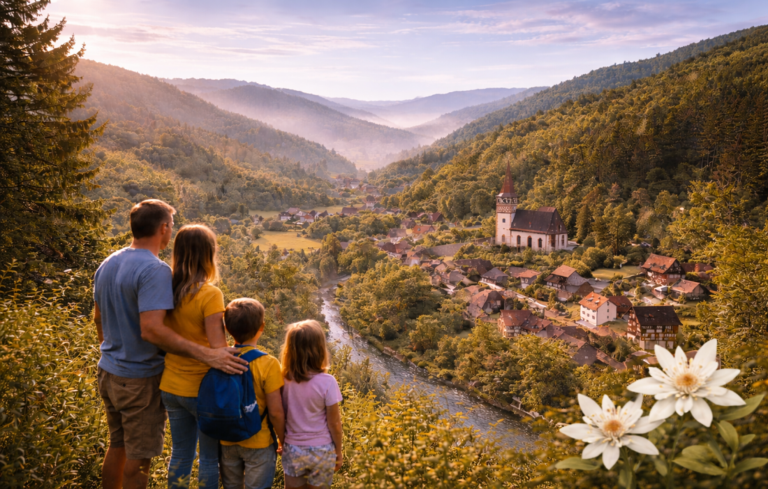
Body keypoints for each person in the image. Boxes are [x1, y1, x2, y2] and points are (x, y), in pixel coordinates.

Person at [93, 200, 248, 489]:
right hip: (138, 378)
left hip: (109, 371)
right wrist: (207, 354)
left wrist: (113, 350)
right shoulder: (155, 270)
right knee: (139, 459)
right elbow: (152, 330)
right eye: (171, 227)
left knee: (118, 446)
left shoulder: (108, 263)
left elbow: (98, 317)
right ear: (163, 228)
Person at [160, 224, 227, 488]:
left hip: (170, 385)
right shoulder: (209, 294)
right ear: (208, 255)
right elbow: (217, 348)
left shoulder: (166, 288)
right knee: (209, 458)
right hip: (201, 389)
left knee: (181, 452)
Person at [219, 298, 286, 489]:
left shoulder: (219, 358)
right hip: (259, 441)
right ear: (262, 327)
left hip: (227, 438)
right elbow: (275, 412)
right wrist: (284, 439)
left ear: (226, 327)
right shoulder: (269, 363)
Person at [280, 320, 343, 489]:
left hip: (293, 447)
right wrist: (338, 451)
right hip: (321, 449)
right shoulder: (328, 382)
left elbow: (279, 414)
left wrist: (280, 441)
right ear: (320, 349)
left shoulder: (283, 379)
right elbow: (334, 423)